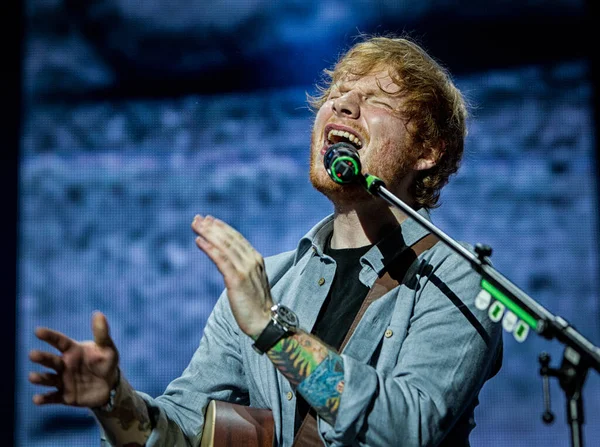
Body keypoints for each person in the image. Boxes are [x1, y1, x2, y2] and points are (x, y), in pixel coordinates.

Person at [29, 35, 502, 446]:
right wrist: (115, 400)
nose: (342, 104)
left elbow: (408, 429)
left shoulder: (460, 280)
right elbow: (187, 431)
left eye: (377, 98)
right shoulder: (266, 284)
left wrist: (273, 331)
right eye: (339, 91)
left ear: (428, 150)